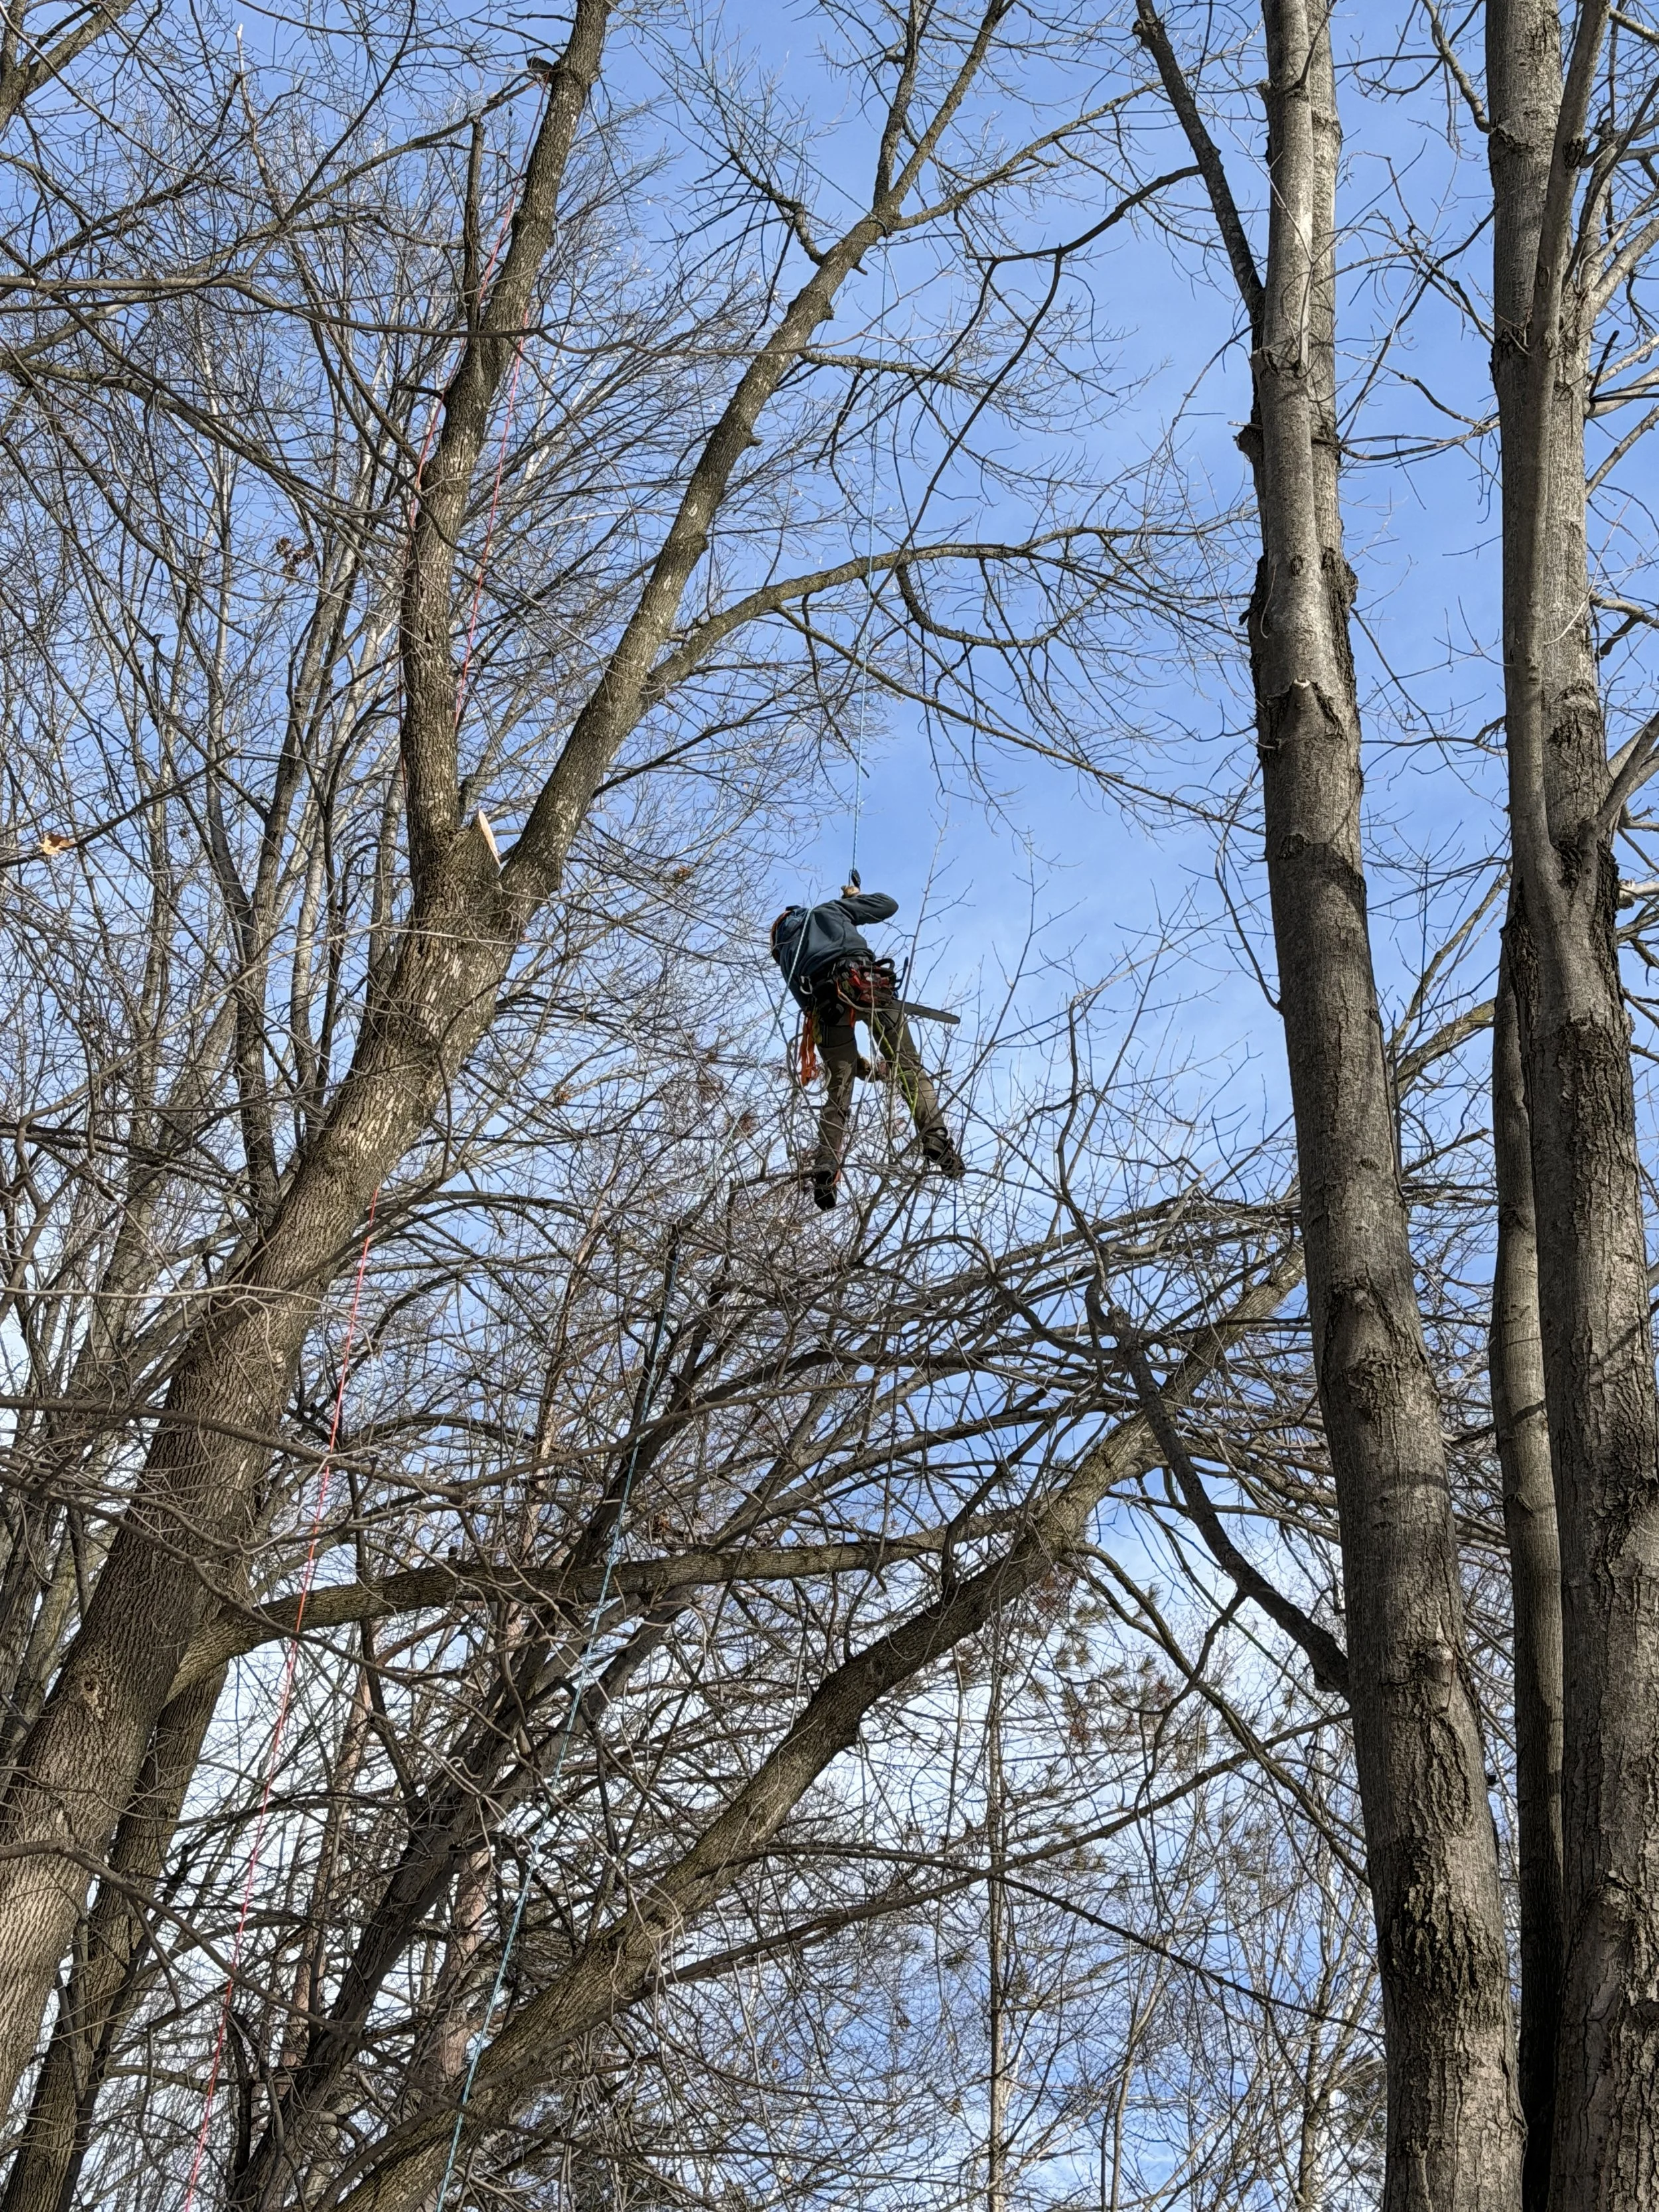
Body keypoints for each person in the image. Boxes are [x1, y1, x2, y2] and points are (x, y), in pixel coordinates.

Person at [770, 883, 964, 1210]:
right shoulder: (829, 910)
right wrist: (855, 900)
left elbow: (809, 1012)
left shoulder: (788, 956)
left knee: (839, 1094)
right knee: (908, 1068)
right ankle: (935, 1138)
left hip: (826, 1005)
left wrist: (856, 1065)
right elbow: (889, 905)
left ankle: (826, 1168)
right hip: (867, 984)